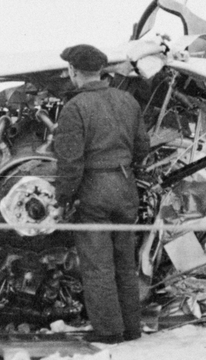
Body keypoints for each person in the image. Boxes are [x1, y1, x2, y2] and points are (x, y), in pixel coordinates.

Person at [54, 44, 150, 343]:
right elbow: (142, 147)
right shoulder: (127, 100)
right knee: (125, 262)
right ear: (101, 70)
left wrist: (63, 198)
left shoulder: (75, 108)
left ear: (73, 71)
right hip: (125, 187)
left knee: (98, 265)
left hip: (94, 189)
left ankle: (109, 332)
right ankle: (132, 328)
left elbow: (70, 162)